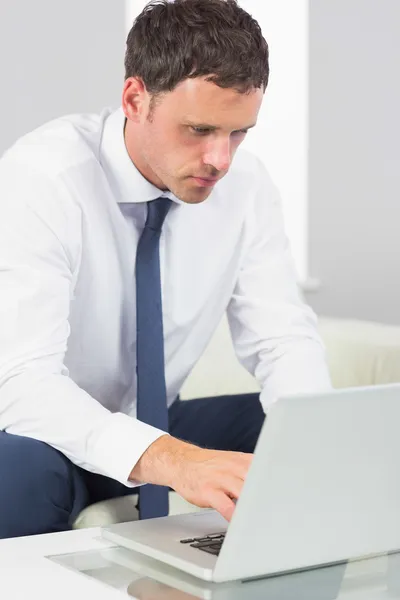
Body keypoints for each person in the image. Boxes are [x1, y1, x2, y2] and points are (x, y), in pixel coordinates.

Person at [0, 0, 331, 539]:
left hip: (152, 419)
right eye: (199, 129)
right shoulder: (43, 179)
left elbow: (282, 337)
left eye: (238, 132)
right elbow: (21, 383)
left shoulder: (246, 187)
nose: (220, 160)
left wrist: (321, 439)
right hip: (42, 435)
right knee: (11, 474)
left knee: (304, 429)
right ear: (135, 99)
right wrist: (176, 461)